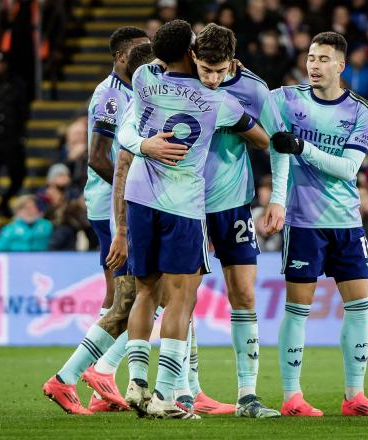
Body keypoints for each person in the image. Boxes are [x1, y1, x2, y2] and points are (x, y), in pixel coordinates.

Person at [117, 19, 269, 420]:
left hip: (139, 197)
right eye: (207, 67)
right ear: (192, 52)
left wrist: (142, 144)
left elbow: (126, 128)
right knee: (183, 298)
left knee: (146, 292)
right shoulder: (218, 101)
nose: (215, 77)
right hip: (184, 205)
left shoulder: (144, 78)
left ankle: (135, 382)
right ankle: (166, 397)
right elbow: (262, 137)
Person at [270, 31, 368, 417]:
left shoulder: (361, 110)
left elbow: (348, 168)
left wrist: (303, 147)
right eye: (310, 57)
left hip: (346, 221)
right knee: (297, 309)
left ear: (341, 65)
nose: (314, 65)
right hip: (304, 221)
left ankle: (354, 396)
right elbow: (271, 136)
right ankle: (292, 396)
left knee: (359, 306)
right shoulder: (285, 99)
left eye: (323, 59)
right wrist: (277, 197)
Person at [41, 27, 149, 415]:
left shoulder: (140, 89)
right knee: (140, 295)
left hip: (124, 205)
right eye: (139, 52)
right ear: (121, 56)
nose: (147, 57)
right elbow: (98, 158)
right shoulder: (109, 96)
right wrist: (135, 192)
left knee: (125, 295)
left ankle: (96, 377)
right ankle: (85, 374)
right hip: (113, 206)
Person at [0, 51, 28, 237]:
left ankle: (4, 203)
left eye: (2, 63)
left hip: (12, 141)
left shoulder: (17, 84)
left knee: (19, 175)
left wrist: (21, 134)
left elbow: (23, 111)